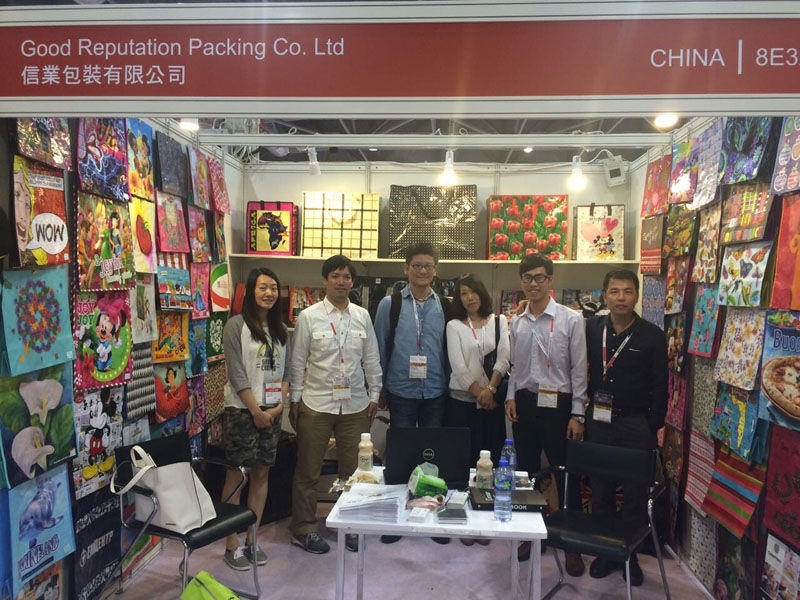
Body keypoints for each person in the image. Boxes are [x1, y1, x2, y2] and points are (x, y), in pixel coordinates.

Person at [289, 255, 382, 555]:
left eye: (346, 277)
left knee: (353, 471)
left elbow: (371, 358)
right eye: (335, 276)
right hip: (316, 403)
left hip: (355, 405)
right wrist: (294, 399)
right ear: (325, 280)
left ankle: (349, 524)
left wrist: (374, 395)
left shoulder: (362, 316)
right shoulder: (309, 317)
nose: (341, 282)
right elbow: (297, 362)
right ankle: (304, 528)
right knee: (308, 471)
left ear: (352, 282)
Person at [585, 269, 668, 587]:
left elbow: (661, 385)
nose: (621, 298)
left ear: (636, 295)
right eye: (615, 291)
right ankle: (605, 553)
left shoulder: (652, 335)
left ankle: (629, 556)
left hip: (635, 424)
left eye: (628, 291)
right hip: (599, 421)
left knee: (634, 495)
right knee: (601, 491)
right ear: (604, 295)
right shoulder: (593, 329)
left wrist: (651, 425)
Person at [505, 253, 587, 574]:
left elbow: (579, 370)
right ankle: (530, 535)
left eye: (540, 277)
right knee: (526, 474)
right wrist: (511, 396)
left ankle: (571, 545)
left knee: (566, 474)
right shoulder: (517, 322)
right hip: (525, 404)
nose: (533, 283)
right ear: (521, 281)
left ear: (550, 280)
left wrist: (578, 413)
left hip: (559, 408)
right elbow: (515, 366)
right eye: (527, 278)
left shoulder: (571, 319)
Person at [373, 242, 452, 545]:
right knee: (402, 455)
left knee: (433, 456)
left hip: (435, 389)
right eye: (416, 265)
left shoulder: (445, 305)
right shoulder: (389, 304)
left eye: (428, 266)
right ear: (406, 268)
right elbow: (380, 347)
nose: (422, 271)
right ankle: (397, 517)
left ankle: (433, 515)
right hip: (401, 390)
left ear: (435, 270)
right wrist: (380, 388)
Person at [220, 267, 289, 571]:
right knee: (236, 476)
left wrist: (277, 407)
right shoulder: (235, 326)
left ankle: (252, 538)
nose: (269, 293)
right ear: (250, 291)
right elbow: (237, 373)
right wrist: (256, 411)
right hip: (242, 410)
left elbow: (287, 372)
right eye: (263, 287)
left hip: (272, 412)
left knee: (262, 475)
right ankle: (231, 542)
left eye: (273, 288)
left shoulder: (281, 329)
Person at [446, 273, 510, 547]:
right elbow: (458, 366)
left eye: (473, 291)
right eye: (463, 293)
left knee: (489, 462)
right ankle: (464, 518)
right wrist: (479, 393)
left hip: (491, 403)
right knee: (464, 462)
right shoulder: (454, 326)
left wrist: (491, 390)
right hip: (461, 403)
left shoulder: (499, 321)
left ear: (482, 293)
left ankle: (485, 519)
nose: (469, 298)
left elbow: (504, 357)